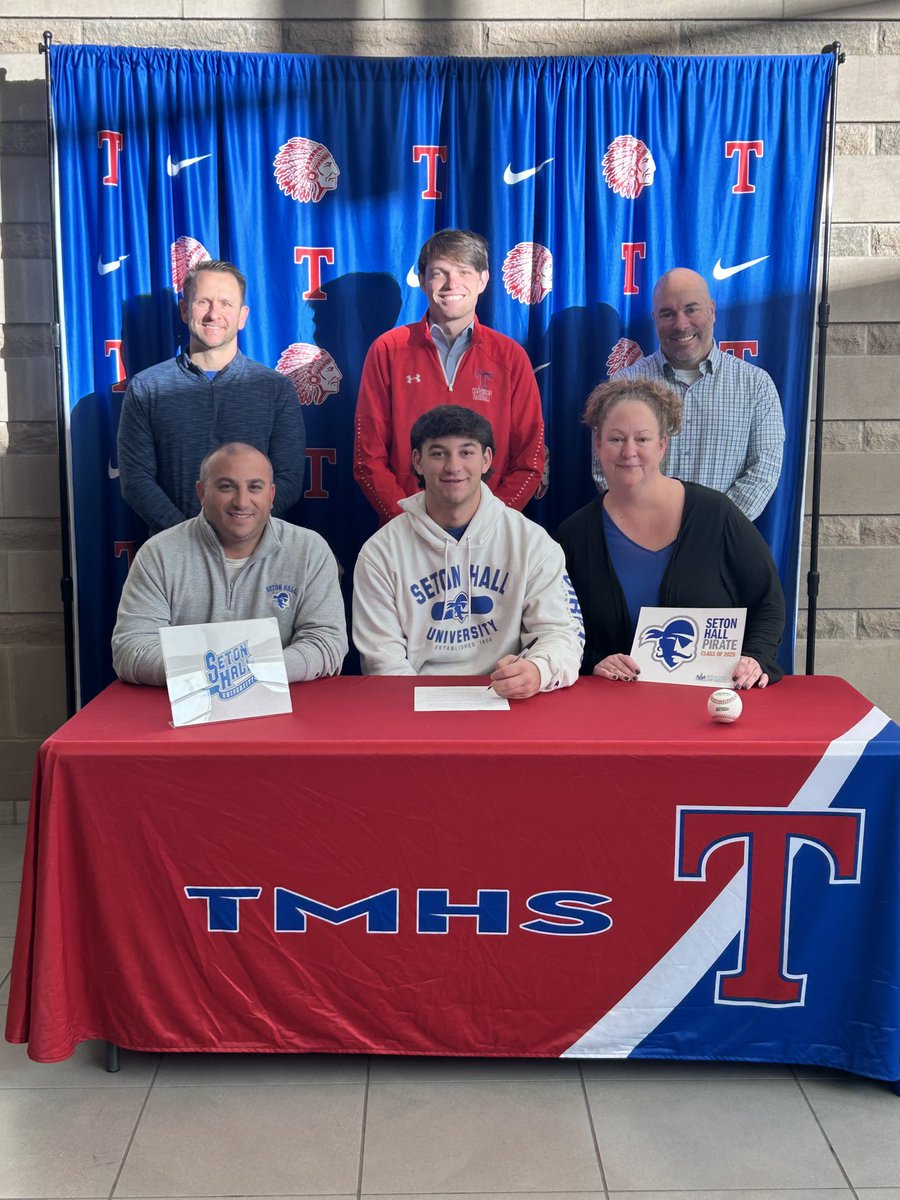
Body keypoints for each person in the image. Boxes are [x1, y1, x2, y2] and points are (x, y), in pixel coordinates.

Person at [562, 378, 784, 687]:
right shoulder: (574, 536)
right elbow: (557, 629)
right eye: (616, 439)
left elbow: (768, 603)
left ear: (662, 444)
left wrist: (755, 657)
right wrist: (592, 660)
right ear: (598, 444)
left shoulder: (716, 515)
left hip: (711, 711)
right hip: (612, 715)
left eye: (642, 439)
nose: (629, 452)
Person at [353, 405, 583, 699]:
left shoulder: (532, 542)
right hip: (413, 705)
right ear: (417, 461)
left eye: (466, 452)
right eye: (438, 453)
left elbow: (562, 635)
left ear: (486, 459)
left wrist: (537, 671)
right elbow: (382, 662)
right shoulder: (380, 553)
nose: (453, 467)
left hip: (505, 698)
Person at [112, 443, 347, 685]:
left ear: (272, 495)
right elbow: (132, 649)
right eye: (227, 487)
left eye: (255, 487)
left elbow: (326, 644)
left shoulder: (309, 550)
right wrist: (219, 675)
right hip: (180, 711)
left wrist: (249, 673)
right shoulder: (158, 554)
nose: (242, 502)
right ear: (202, 493)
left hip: (285, 707)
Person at [353, 229, 545, 523]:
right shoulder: (387, 351)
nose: (451, 284)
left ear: (483, 280)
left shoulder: (510, 357)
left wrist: (490, 523)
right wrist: (407, 521)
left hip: (490, 537)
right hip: (405, 533)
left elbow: (530, 460)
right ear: (421, 280)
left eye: (464, 272)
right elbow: (369, 457)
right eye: (439, 273)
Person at [117, 260, 307, 534]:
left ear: (242, 316)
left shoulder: (275, 389)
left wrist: (240, 531)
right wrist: (190, 537)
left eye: (226, 304)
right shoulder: (147, 388)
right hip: (174, 557)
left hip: (255, 556)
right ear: (184, 310)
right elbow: (137, 480)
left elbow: (288, 479)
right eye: (203, 302)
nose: (213, 314)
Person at [594, 268, 784, 521]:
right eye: (667, 314)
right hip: (640, 542)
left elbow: (764, 470)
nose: (681, 324)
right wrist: (651, 527)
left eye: (691, 309)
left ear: (712, 311)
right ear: (655, 318)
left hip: (719, 546)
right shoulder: (624, 385)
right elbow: (604, 468)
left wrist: (712, 528)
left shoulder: (756, 386)